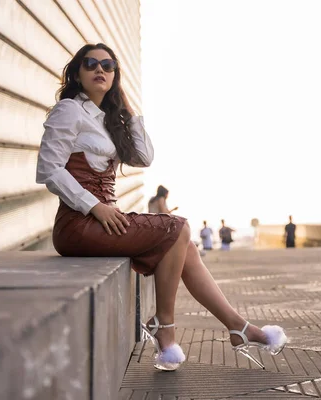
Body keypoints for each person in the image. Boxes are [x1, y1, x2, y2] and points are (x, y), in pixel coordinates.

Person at [36, 43, 287, 372]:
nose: (100, 69)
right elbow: (49, 169)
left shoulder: (105, 119)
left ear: (115, 75)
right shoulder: (69, 110)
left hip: (104, 223)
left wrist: (126, 112)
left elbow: (144, 157)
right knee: (177, 227)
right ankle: (165, 328)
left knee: (186, 248)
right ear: (77, 72)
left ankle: (238, 327)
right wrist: (95, 206)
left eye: (108, 65)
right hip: (79, 225)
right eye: (91, 63)